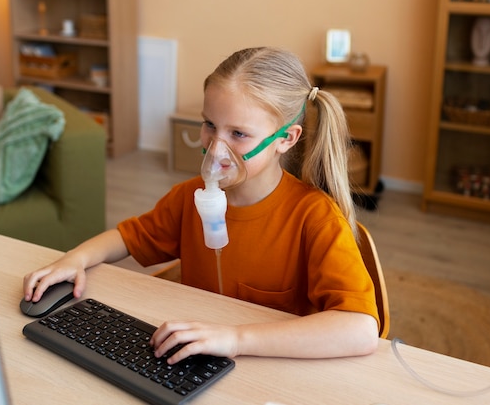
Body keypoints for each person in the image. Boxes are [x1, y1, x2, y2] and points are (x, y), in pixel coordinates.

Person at [23, 47, 380, 364]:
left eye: (238, 134)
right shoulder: (188, 198)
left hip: (271, 366)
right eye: (210, 125)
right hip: (198, 357)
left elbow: (361, 329)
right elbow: (130, 236)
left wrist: (237, 339)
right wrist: (76, 259)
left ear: (285, 138)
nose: (215, 147)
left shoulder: (314, 218)